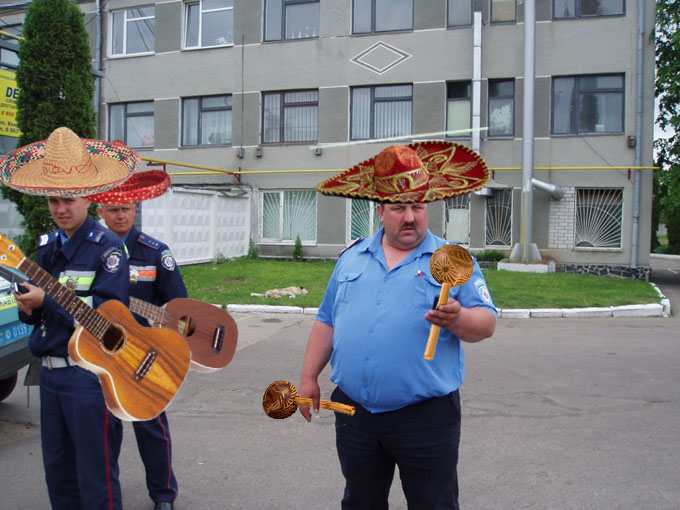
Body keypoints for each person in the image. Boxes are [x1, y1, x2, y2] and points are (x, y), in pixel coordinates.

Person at [299, 141, 497, 510]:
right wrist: (309, 377)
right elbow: (327, 321)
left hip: (425, 417)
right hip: (355, 412)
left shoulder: (451, 259)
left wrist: (458, 318)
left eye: (418, 207)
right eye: (399, 208)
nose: (410, 217)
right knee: (361, 501)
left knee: (433, 504)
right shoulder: (351, 258)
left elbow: (486, 323)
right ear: (380, 211)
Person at [4, 126, 140, 510]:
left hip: (89, 377)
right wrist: (29, 307)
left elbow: (109, 319)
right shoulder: (47, 248)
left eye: (68, 199)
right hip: (49, 375)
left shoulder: (107, 248)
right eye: (53, 200)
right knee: (58, 473)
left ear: (88, 198)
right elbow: (38, 314)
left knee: (96, 477)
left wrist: (48, 299)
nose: (60, 209)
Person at [92, 170, 185, 510]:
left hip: (145, 358)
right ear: (100, 211)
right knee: (104, 431)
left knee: (152, 428)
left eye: (126, 209)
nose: (120, 215)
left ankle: (163, 495)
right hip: (100, 356)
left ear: (135, 209)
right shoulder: (90, 251)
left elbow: (178, 307)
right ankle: (106, 497)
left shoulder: (155, 252)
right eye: (113, 209)